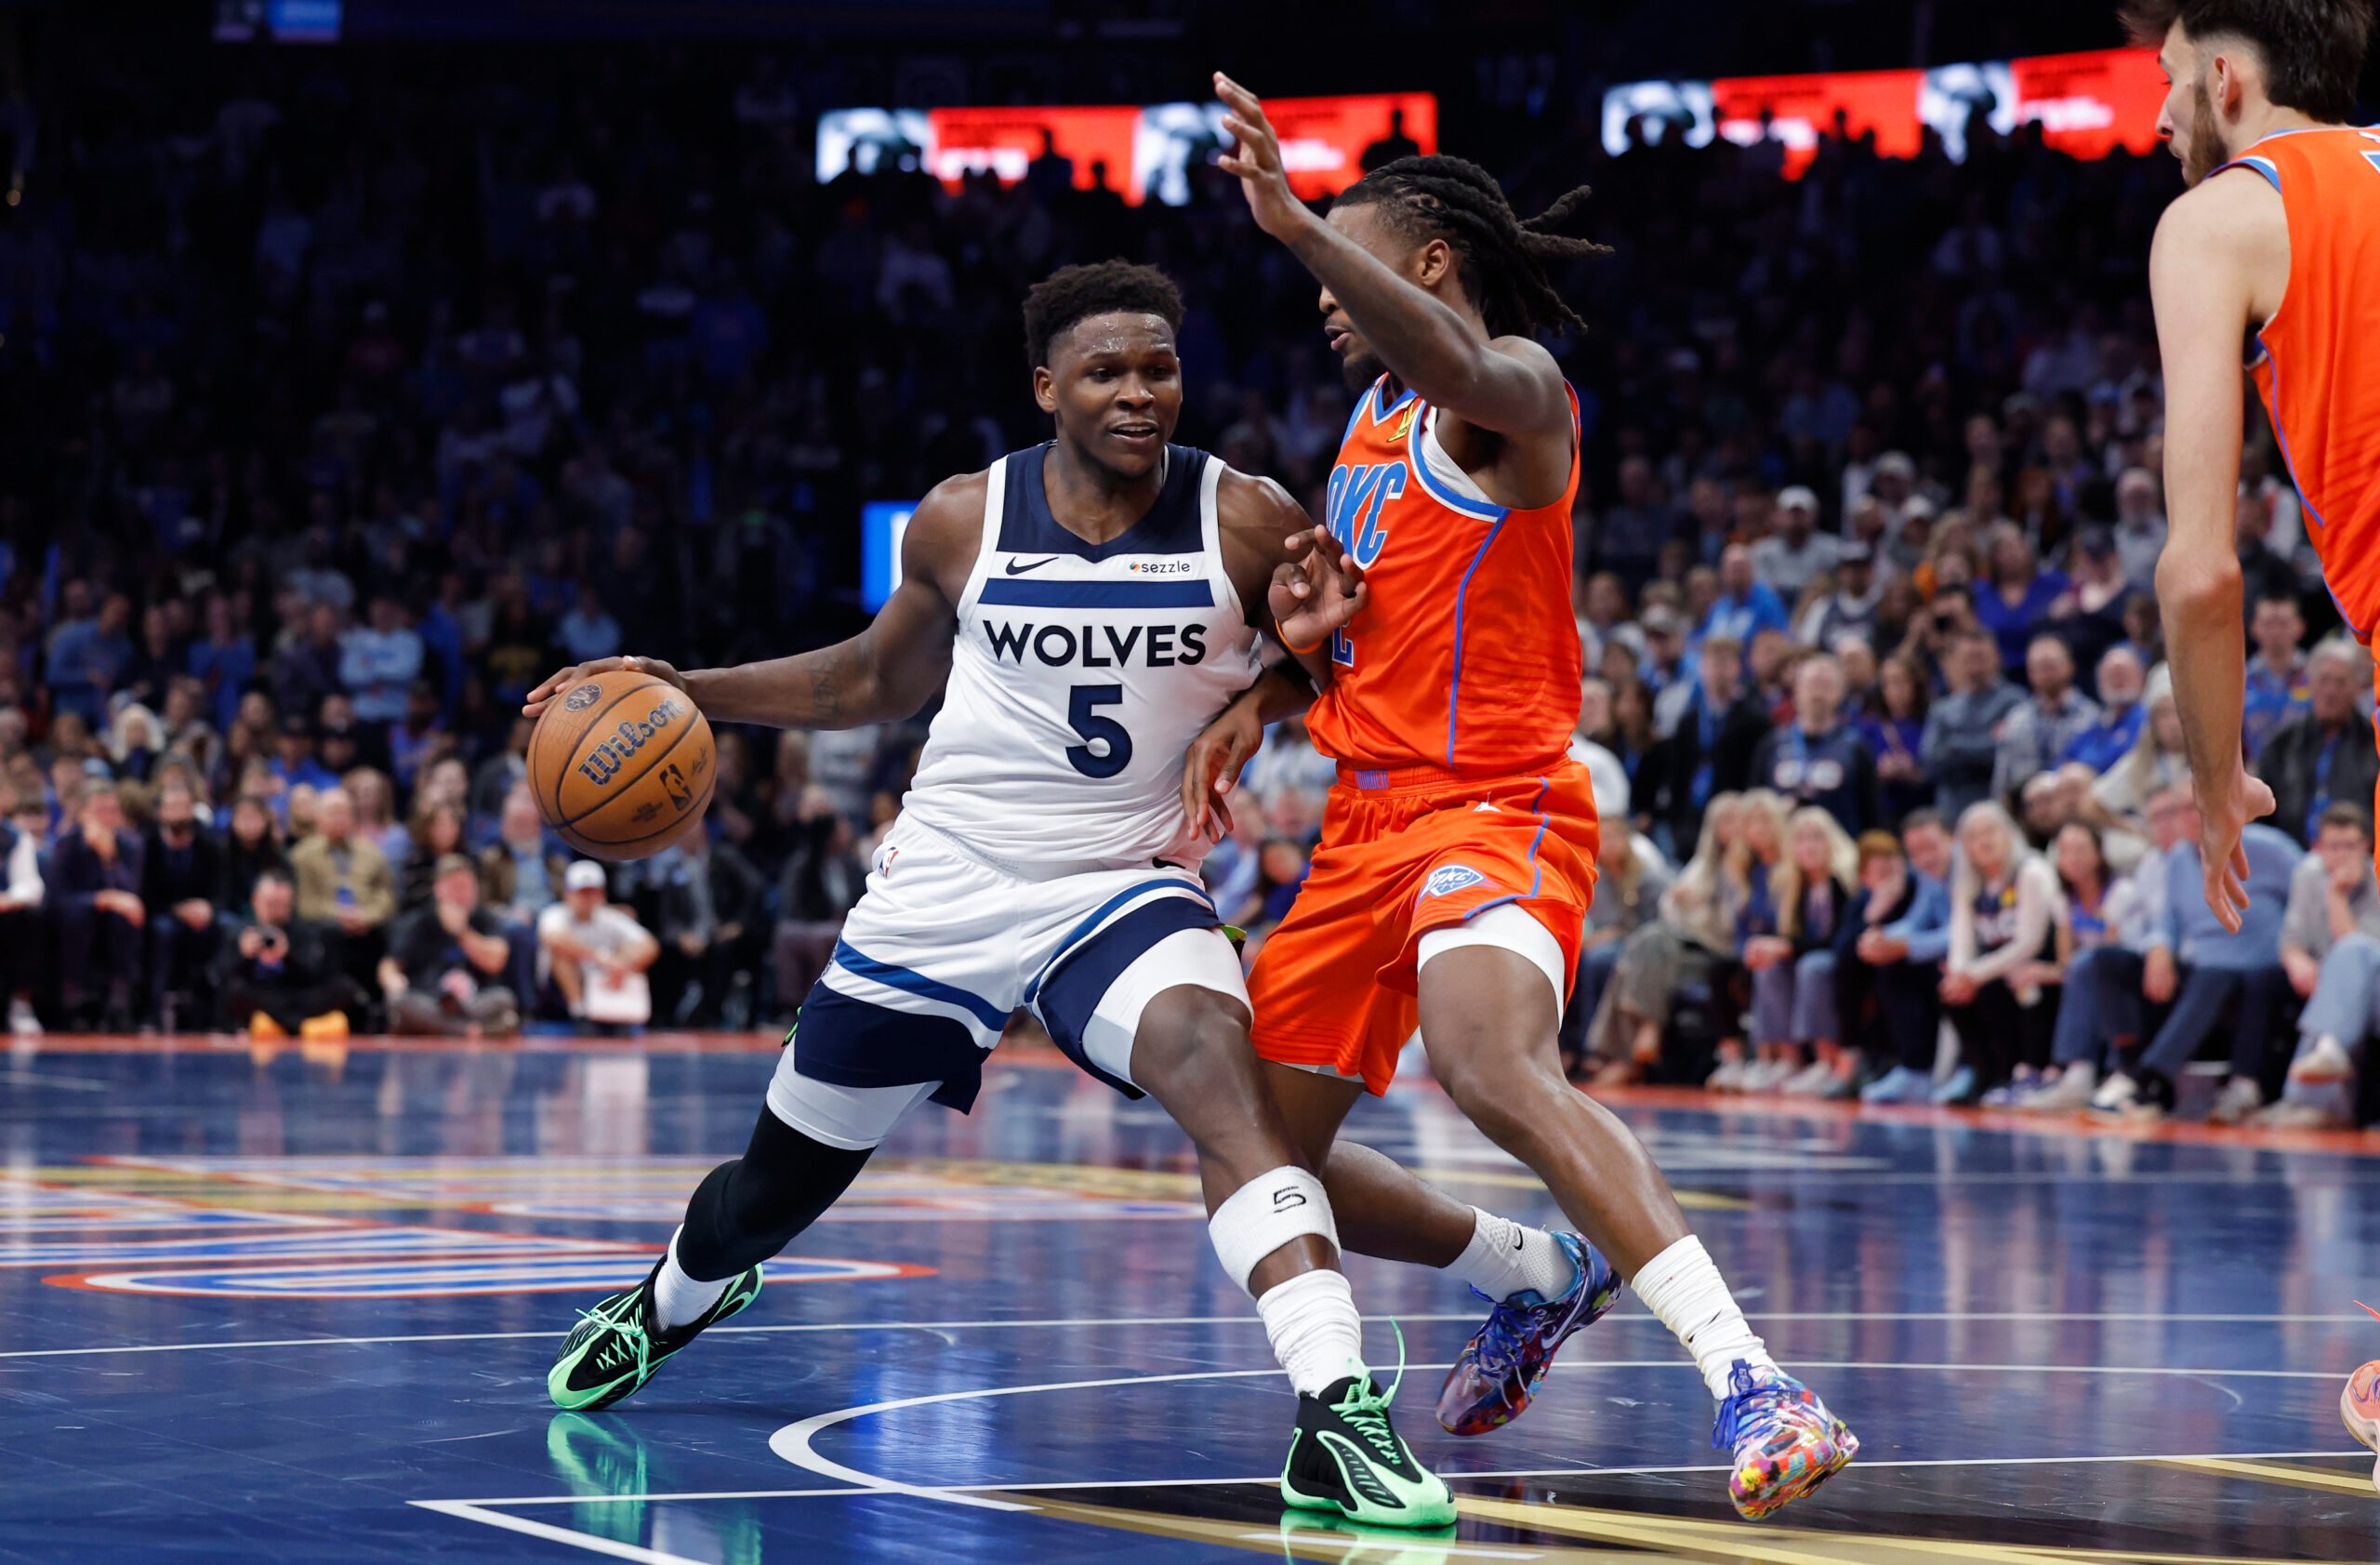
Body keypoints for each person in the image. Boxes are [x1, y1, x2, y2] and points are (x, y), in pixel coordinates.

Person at [525, 259, 1454, 1528]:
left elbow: (1346, 651)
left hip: (1123, 883)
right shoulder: (964, 518)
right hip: (944, 889)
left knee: (1225, 1086)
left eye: (1159, 367)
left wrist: (1258, 700)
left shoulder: (1245, 518)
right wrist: (686, 686)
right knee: (765, 1195)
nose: (1139, 393)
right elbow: (868, 681)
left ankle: (1335, 1409)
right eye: (1106, 372)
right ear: (1045, 388)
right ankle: (675, 1297)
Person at [1197, 90, 1853, 1521]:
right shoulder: (1369, 430)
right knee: (1256, 1160)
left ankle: (1756, 1379)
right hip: (1362, 823)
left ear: (1427, 262)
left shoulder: (1519, 399)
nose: (1321, 300)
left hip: (1497, 802)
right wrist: (1287, 671)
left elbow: (1474, 369)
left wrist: (1298, 214)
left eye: (1342, 266)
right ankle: (1538, 1268)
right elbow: (1371, 642)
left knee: (1492, 1064)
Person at [2135, 0, 2376, 936]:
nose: (2159, 115)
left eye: (2169, 78)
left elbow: (2199, 575)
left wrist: (2215, 782)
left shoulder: (2217, 219)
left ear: (2225, 82)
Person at [2088, 789, 2299, 1123]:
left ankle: (2150, 1082)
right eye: (2181, 810)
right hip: (2201, 974)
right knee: (2108, 960)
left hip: (2258, 974)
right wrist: (2159, 949)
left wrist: (2296, 950)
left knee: (2213, 975)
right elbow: (2165, 922)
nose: (2188, 817)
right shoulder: (2178, 859)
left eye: (2198, 807)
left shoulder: (2273, 849)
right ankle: (2127, 1068)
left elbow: (2307, 899)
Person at [2254, 803, 2380, 1129]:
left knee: (2352, 953)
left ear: (2367, 846)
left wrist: (2337, 895)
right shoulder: (2307, 874)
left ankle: (2303, 1100)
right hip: (2331, 985)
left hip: (2373, 987)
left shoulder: (2377, 877)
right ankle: (2327, 1052)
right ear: (2317, 847)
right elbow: (2291, 938)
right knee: (2273, 981)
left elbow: (2358, 953)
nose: (2340, 855)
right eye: (2332, 846)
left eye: (2350, 846)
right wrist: (2296, 961)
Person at [1937, 802, 2061, 1105]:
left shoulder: (2031, 871)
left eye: (1990, 831)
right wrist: (1959, 974)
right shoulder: (1968, 884)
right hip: (1997, 970)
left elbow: (2030, 942)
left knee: (2020, 980)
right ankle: (1984, 1073)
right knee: (1950, 989)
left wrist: (1973, 975)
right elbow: (1961, 941)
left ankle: (2031, 1070)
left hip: (2042, 966)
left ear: (2009, 833)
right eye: (1974, 836)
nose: (1984, 841)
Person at [1858, 810, 1957, 1104]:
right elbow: (1917, 920)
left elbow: (1961, 933)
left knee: (1924, 965)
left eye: (1931, 847)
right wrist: (1880, 936)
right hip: (1948, 954)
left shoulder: (1966, 869)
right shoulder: (1928, 876)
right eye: (1915, 852)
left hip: (1975, 954)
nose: (1925, 858)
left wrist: (1906, 946)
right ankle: (1913, 1070)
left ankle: (1972, 1070)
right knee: (1889, 965)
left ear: (1951, 839)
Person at [214, 868, 370, 1039]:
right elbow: (218, 975)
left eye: (283, 906)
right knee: (236, 990)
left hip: (296, 997)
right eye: (271, 904)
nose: (276, 912)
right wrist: (243, 955)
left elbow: (315, 974)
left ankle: (287, 1024)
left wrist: (288, 956)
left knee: (345, 987)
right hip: (262, 997)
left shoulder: (302, 932)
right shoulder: (239, 933)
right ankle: (299, 1026)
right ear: (255, 900)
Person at [379, 854, 521, 1038]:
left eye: (468, 887)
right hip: (431, 1000)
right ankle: (472, 1031)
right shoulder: (419, 921)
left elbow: (496, 961)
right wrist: (393, 980)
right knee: (399, 1001)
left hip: (473, 1002)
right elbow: (389, 965)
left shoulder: (486, 920)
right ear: (439, 890)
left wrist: (463, 932)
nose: (463, 895)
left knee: (504, 998)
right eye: (456, 887)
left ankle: (443, 1028)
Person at [2255, 640, 2378, 848]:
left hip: (2360, 857)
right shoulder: (2282, 745)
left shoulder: (2374, 742)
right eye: (2323, 681)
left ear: (2357, 688)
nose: (2330, 692)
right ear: (2309, 684)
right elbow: (2261, 815)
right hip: (2291, 859)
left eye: (2340, 683)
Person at [1746, 654, 1876, 836]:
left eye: (1826, 685)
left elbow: (1872, 815)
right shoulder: (1772, 745)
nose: (1818, 693)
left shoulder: (1856, 748)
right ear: (1796, 691)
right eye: (1812, 684)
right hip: (1782, 853)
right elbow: (1754, 806)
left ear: (1840, 693)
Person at [51, 785, 146, 1031]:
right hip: (76, 918)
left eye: (113, 811)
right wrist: (100, 899)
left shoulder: (130, 845)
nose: (108, 818)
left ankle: (119, 1000)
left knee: (123, 917)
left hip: (114, 921)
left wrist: (110, 858)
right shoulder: (66, 844)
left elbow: (133, 895)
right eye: (100, 811)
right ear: (83, 814)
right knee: (78, 917)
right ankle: (74, 999)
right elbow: (58, 898)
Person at [140, 779, 223, 1031]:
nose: (178, 812)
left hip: (201, 913)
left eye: (184, 806)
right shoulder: (148, 845)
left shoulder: (209, 845)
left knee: (224, 927)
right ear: (160, 812)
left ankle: (217, 1014)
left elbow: (222, 889)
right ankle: (153, 1013)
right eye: (172, 806)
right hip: (162, 913)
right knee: (164, 930)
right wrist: (179, 909)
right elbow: (145, 894)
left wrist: (209, 908)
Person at [538, 861, 661, 1029]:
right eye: (581, 892)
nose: (587, 898)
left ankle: (621, 1013)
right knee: (561, 954)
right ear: (568, 893)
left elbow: (650, 945)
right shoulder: (554, 914)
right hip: (562, 990)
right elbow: (554, 939)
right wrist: (601, 958)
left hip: (606, 981)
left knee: (632, 949)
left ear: (602, 894)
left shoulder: (611, 917)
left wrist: (622, 963)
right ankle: (579, 1013)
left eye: (592, 892)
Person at [1922, 628, 2023, 817]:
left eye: (1980, 656)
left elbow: (2007, 754)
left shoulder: (2014, 702)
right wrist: (1986, 742)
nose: (1974, 664)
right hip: (1952, 810)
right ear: (1957, 661)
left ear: (1996, 657)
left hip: (1999, 807)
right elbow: (1930, 763)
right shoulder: (1942, 709)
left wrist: (1954, 746)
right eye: (1968, 657)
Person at [1992, 636, 2101, 806]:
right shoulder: (2016, 720)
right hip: (2025, 810)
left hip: (2076, 808)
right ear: (2030, 673)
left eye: (2051, 666)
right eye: (2039, 667)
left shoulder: (2092, 717)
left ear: (2070, 666)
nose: (2046, 673)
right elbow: (2002, 777)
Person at [2241, 590, 2310, 760]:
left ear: (2300, 626)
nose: (2275, 632)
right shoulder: (2239, 680)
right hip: (2254, 775)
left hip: (2305, 773)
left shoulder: (2317, 676)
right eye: (2268, 624)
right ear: (2254, 627)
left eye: (2283, 623)